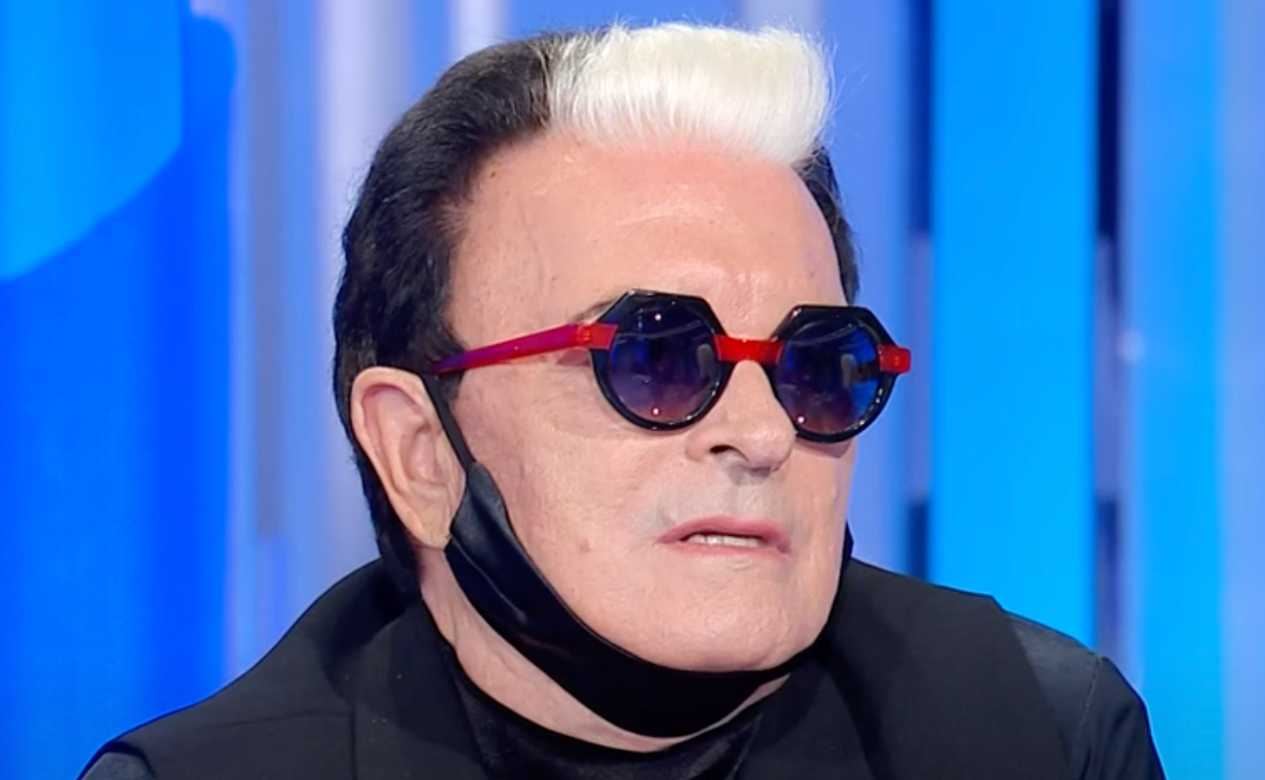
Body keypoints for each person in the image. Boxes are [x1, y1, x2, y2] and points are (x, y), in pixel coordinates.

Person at [83, 23, 1163, 779]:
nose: (760, 433)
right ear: (419, 451)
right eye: (657, 358)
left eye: (813, 364)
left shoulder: (1035, 733)